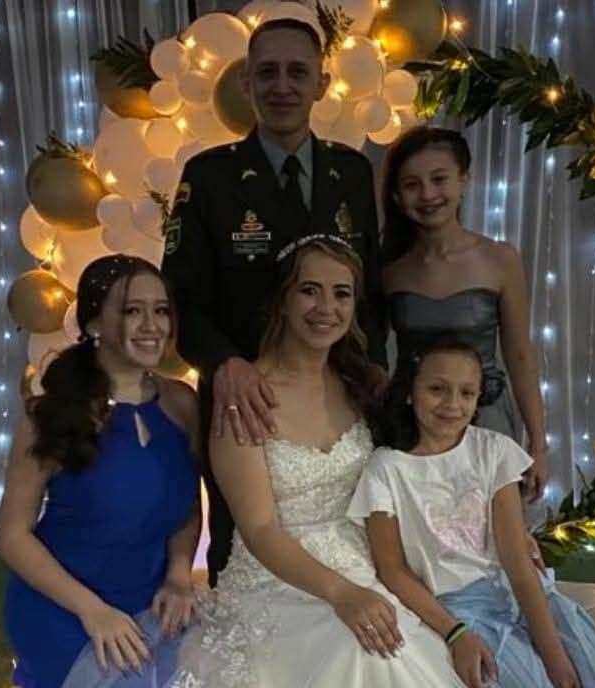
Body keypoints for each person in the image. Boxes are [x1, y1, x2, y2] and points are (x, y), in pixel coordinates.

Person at [166, 235, 464, 687]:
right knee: (358, 655)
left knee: (403, 648)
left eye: (341, 293)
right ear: (283, 300)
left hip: (367, 565)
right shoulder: (244, 396)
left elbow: (419, 472)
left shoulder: (362, 386)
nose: (326, 307)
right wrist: (342, 595)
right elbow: (260, 528)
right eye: (309, 290)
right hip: (279, 579)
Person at [161, 16, 387, 585]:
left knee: (354, 530)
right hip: (246, 398)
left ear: (321, 83)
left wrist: (375, 375)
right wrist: (221, 364)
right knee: (240, 546)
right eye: (267, 73)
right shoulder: (210, 177)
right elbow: (178, 298)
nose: (281, 86)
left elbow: (370, 291)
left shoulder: (353, 173)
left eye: (297, 72)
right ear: (246, 84)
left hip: (339, 396)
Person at [347, 338, 595, 688]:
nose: (452, 404)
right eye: (437, 389)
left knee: (583, 673)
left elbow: (516, 562)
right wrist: (455, 632)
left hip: (516, 592)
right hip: (456, 610)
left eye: (466, 393)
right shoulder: (386, 469)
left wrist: (554, 656)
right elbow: (393, 569)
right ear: (409, 392)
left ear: (479, 397)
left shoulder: (493, 451)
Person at [0, 255, 200, 688]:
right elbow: (12, 537)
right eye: (131, 310)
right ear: (93, 324)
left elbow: (184, 505)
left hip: (153, 606)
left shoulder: (182, 404)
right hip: (67, 612)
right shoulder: (50, 416)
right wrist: (93, 612)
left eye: (161, 310)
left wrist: (180, 573)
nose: (152, 325)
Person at [381, 126, 548, 499]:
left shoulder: (500, 259)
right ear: (396, 196)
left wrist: (538, 444)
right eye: (412, 184)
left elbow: (520, 354)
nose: (427, 195)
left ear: (464, 180)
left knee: (489, 533)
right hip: (413, 424)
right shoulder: (390, 270)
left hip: (486, 418)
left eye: (439, 179)